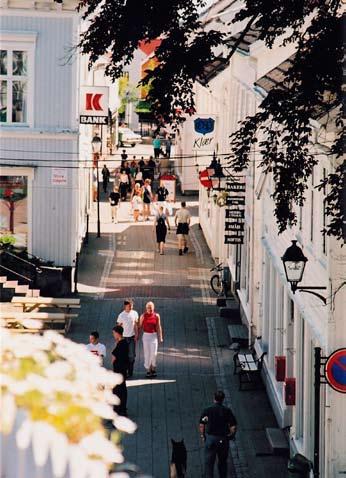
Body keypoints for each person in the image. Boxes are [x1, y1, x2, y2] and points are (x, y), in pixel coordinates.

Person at [199, 390, 237, 478]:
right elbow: (233, 426)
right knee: (223, 462)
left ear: (214, 398)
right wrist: (231, 435)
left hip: (211, 439)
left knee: (209, 463)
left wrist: (203, 436)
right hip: (223, 440)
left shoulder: (207, 410)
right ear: (223, 399)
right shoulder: (227, 411)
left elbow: (202, 425)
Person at [139, 301, 163, 378]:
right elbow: (140, 326)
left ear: (153, 308)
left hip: (154, 336)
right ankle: (148, 370)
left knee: (154, 353)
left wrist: (160, 337)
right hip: (146, 336)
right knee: (147, 353)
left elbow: (158, 327)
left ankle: (153, 368)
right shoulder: (143, 316)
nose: (150, 309)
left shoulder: (156, 316)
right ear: (146, 308)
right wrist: (137, 335)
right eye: (148, 308)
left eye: (151, 308)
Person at [117, 299, 139, 378]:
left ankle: (130, 370)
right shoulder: (121, 315)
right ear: (125, 306)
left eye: (132, 306)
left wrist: (137, 334)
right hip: (123, 338)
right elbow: (118, 327)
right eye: (129, 306)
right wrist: (118, 338)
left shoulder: (135, 313)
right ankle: (125, 371)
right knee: (124, 356)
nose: (131, 307)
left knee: (132, 356)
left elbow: (136, 325)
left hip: (132, 337)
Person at [111, 325, 129, 416]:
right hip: (123, 370)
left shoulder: (120, 344)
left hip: (118, 370)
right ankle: (123, 409)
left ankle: (117, 410)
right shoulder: (125, 343)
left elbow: (113, 357)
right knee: (122, 390)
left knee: (117, 391)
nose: (113, 335)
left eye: (114, 333)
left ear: (118, 333)